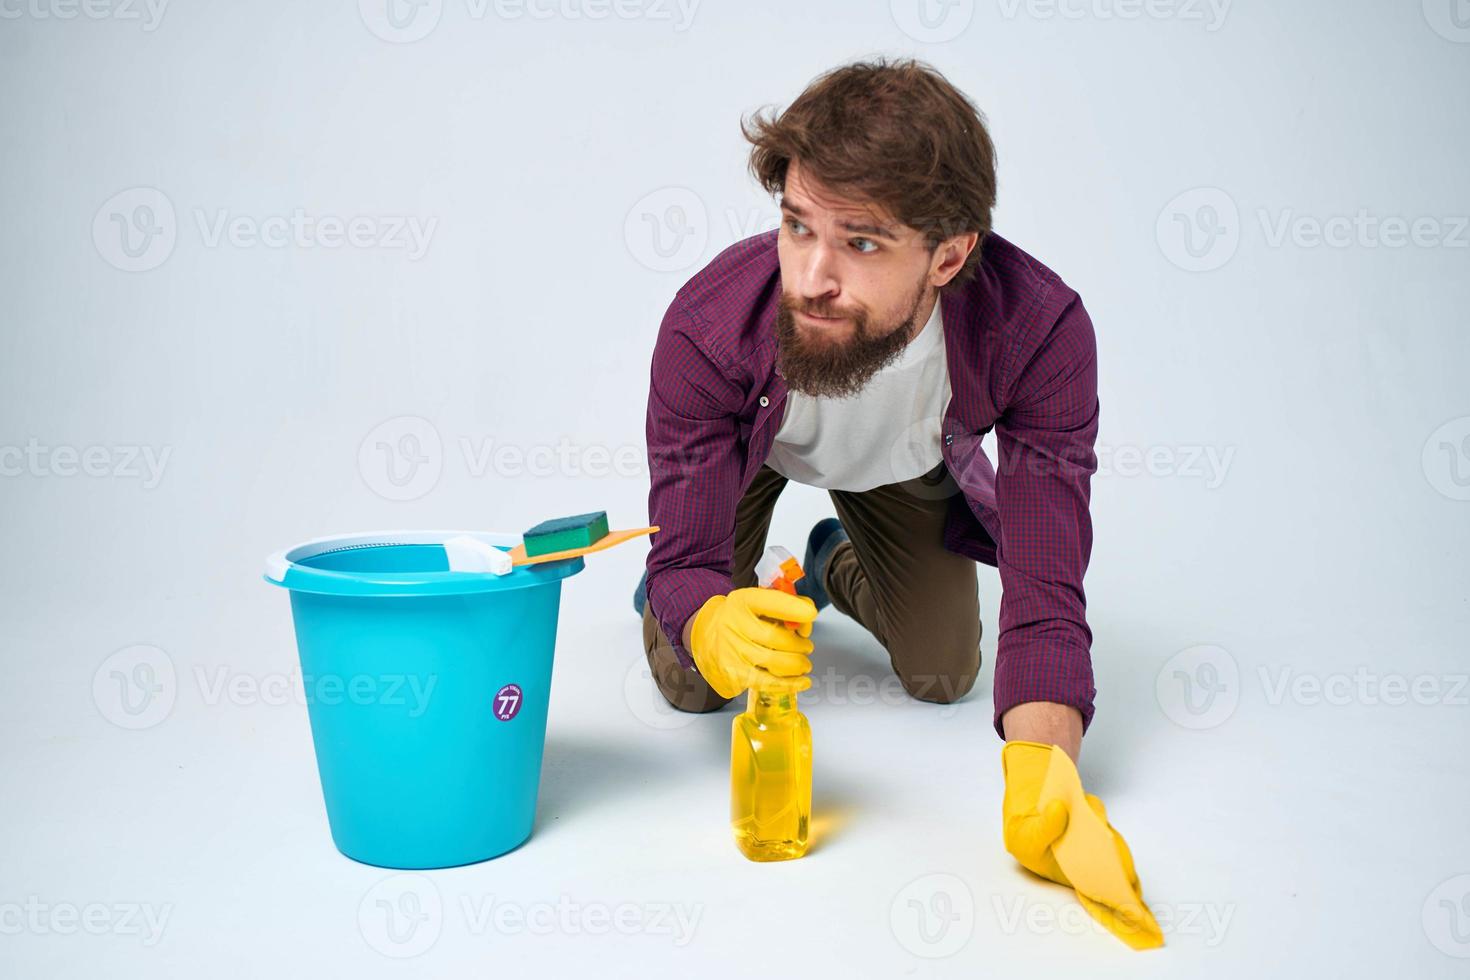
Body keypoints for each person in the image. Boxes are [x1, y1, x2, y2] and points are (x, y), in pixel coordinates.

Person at [634, 57, 1155, 946]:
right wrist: (703, 614)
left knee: (946, 671)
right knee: (693, 684)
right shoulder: (707, 328)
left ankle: (833, 559)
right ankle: (715, 599)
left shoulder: (1042, 333)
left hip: (903, 465)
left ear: (949, 255)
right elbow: (682, 560)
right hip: (747, 450)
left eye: (862, 242)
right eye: (797, 227)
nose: (811, 276)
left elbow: (1046, 585)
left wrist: (1047, 771)